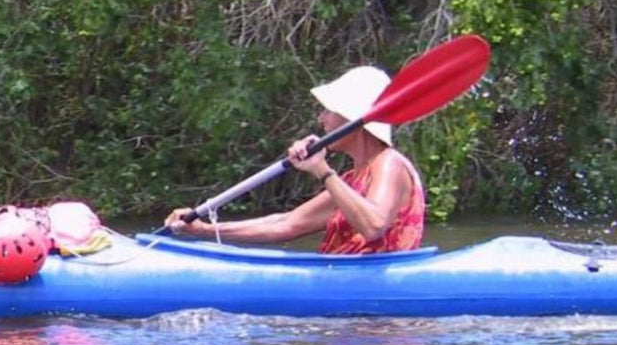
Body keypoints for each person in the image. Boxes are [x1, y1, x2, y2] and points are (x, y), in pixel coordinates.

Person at [164, 66, 425, 254]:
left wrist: (322, 171)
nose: (321, 119)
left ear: (352, 119)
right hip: (344, 299)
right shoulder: (349, 181)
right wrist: (203, 230)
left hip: (379, 318)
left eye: (328, 111)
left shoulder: (389, 164)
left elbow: (374, 226)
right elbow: (286, 224)